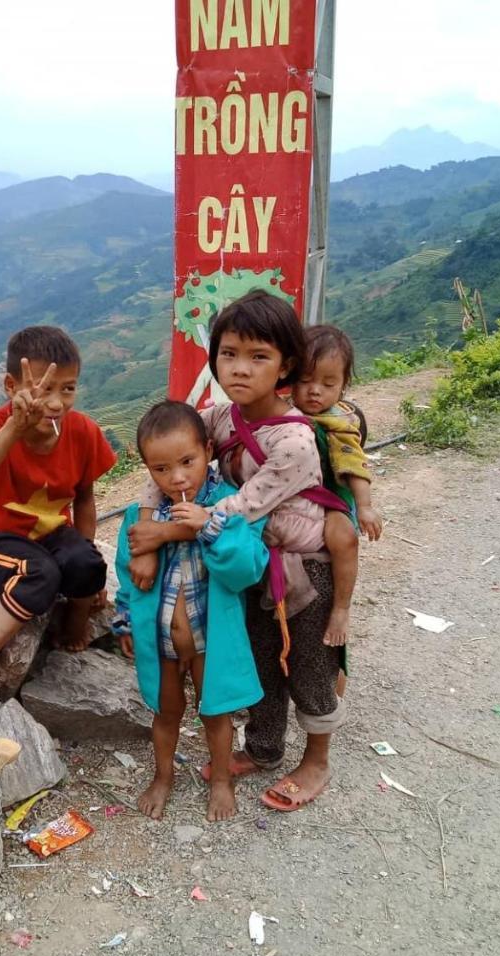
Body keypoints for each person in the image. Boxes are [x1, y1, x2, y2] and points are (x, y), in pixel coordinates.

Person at [128, 290, 348, 812]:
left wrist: (167, 533)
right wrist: (142, 526)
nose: (240, 369)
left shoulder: (292, 440)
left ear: (286, 365)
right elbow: (164, 464)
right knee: (262, 663)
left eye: (259, 357)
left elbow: (241, 508)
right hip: (245, 565)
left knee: (309, 665)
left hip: (300, 570)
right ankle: (266, 748)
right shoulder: (220, 417)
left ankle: (316, 758)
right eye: (228, 354)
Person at [0, 325, 116, 744]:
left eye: (67, 389)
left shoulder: (82, 431)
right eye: (44, 389)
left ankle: (72, 622)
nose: (55, 403)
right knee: (40, 575)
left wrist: (87, 587)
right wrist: (13, 429)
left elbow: (84, 501)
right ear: (12, 386)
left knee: (87, 562)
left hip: (50, 533)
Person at [113, 400, 268, 822]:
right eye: (161, 469)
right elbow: (127, 575)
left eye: (187, 461)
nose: (177, 477)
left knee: (215, 713)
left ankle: (221, 778)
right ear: (147, 470)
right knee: (166, 713)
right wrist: (126, 620)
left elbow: (247, 568)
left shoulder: (228, 507)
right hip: (161, 640)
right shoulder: (140, 515)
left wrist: (206, 525)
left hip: (209, 641)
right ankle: (163, 776)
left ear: (208, 450)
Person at [291, 324, 384, 650]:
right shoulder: (284, 415)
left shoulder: (339, 424)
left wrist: (365, 506)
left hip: (331, 497)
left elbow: (355, 466)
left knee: (343, 538)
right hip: (294, 499)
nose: (315, 391)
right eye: (305, 380)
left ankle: (341, 609)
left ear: (344, 385)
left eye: (328, 383)